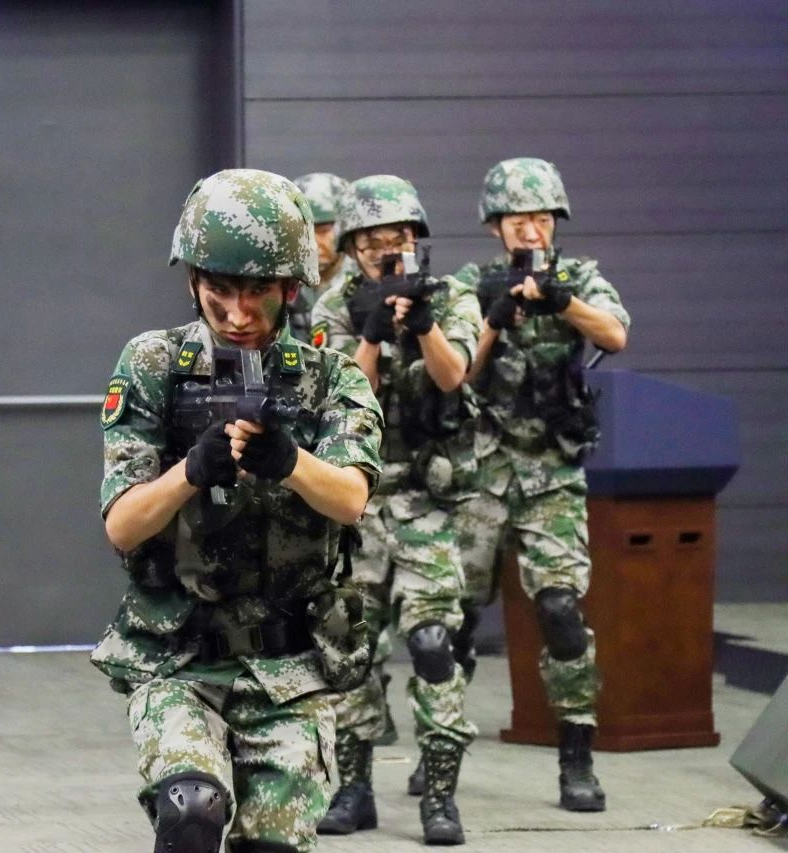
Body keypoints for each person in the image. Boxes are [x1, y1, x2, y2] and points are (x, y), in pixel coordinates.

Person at [91, 168, 384, 852]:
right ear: (193, 280)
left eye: (257, 293)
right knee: (191, 808)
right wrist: (189, 472)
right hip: (179, 656)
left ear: (291, 288)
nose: (237, 313)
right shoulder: (153, 365)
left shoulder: (330, 375)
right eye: (219, 290)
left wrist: (289, 461)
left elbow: (351, 499)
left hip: (290, 665)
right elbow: (122, 525)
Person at [452, 157, 629, 812]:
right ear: (495, 227)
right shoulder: (470, 284)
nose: (531, 231)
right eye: (517, 220)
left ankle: (576, 758)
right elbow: (457, 374)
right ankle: (444, 748)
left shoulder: (578, 277)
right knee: (453, 618)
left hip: (551, 471)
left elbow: (615, 334)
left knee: (559, 609)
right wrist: (494, 319)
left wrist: (561, 300)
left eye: (542, 219)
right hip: (482, 470)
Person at [310, 175, 482, 844]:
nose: (389, 250)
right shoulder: (333, 305)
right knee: (349, 647)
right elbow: (335, 396)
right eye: (376, 240)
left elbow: (453, 375)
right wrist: (372, 334)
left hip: (426, 502)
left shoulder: (452, 295)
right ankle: (354, 789)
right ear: (353, 247)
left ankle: (440, 795)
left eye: (401, 237)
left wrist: (425, 324)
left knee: (433, 643)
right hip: (358, 500)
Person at [289, 173, 352, 343]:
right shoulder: (284, 279)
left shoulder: (364, 280)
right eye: (304, 231)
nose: (314, 243)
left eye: (323, 231)